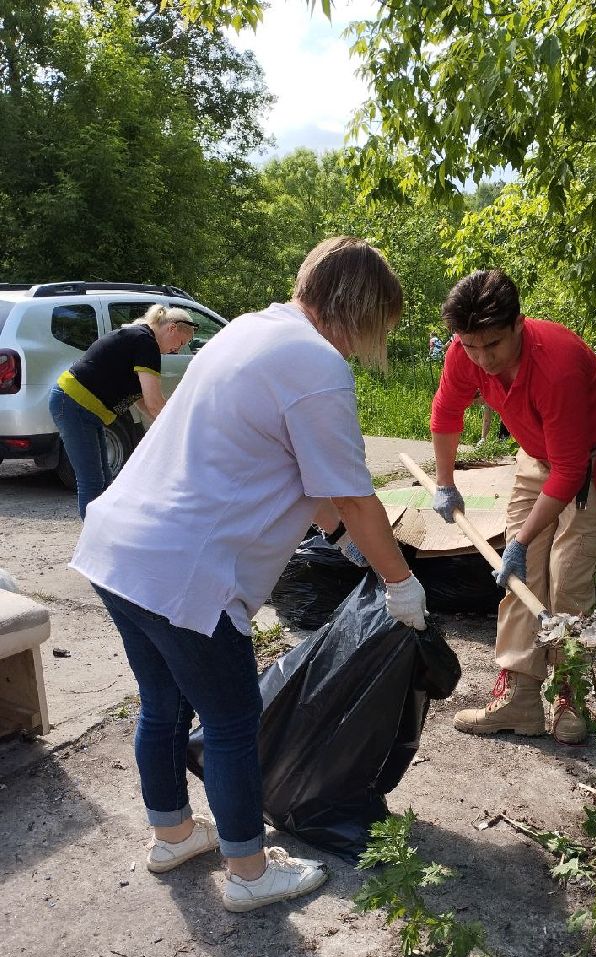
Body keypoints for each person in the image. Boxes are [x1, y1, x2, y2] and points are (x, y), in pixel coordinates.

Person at [69, 237, 427, 912]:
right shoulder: (315, 363)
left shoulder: (247, 331)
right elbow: (352, 494)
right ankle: (248, 872)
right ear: (358, 309)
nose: (365, 344)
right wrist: (400, 582)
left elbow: (313, 482)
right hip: (182, 570)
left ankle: (173, 835)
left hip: (119, 545)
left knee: (163, 702)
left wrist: (349, 544)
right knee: (234, 720)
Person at [430, 270, 596, 745]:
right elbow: (447, 411)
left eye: (493, 345)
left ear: (518, 323)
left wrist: (520, 541)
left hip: (591, 462)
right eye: (471, 346)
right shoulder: (467, 351)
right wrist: (445, 482)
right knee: (517, 578)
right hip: (538, 457)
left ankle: (570, 694)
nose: (482, 359)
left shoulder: (555, 365)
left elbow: (569, 469)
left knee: (568, 580)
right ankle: (519, 698)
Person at [48, 305, 193, 518]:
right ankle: (94, 542)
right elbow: (154, 403)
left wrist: (165, 428)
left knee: (104, 480)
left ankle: (103, 534)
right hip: (73, 404)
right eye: (181, 343)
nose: (178, 349)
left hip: (81, 408)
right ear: (171, 328)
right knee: (92, 481)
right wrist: (180, 432)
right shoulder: (146, 342)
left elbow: (143, 400)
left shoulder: (142, 339)